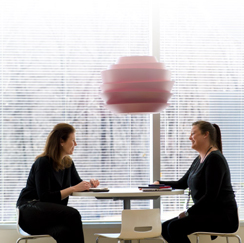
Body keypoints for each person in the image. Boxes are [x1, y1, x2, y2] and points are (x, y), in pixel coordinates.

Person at [154, 120, 238, 243]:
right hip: (206, 213)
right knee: (164, 227)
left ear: (206, 134)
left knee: (174, 227)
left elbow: (210, 196)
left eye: (193, 133)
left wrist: (188, 213)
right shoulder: (199, 159)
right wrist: (158, 183)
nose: (189, 138)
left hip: (222, 217)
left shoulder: (215, 159)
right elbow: (182, 183)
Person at [16, 123, 100, 243]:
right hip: (30, 212)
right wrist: (72, 189)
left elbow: (78, 184)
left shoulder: (68, 163)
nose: (76, 144)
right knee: (73, 214)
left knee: (63, 232)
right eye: (73, 140)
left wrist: (90, 184)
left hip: (48, 215)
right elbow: (45, 197)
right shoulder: (43, 163)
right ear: (61, 141)